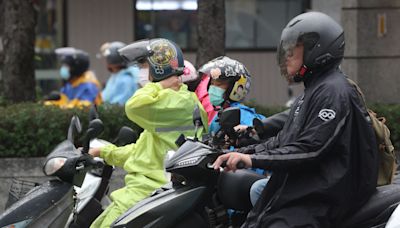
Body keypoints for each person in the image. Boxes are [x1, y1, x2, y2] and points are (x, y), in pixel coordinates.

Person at [213, 11, 378, 227]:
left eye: (294, 49)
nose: (287, 55)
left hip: (322, 197)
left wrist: (252, 160)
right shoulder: (314, 91)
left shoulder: (334, 92)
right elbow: (283, 141)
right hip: (305, 190)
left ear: (317, 50)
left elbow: (310, 148)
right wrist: (241, 153)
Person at [88, 38, 208, 228]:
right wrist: (104, 152)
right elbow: (143, 152)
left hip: (150, 190)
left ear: (160, 68)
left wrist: (159, 85)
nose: (140, 72)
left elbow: (133, 106)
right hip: (145, 189)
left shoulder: (177, 101)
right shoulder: (173, 100)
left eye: (143, 66)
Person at [198, 56, 265, 135]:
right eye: (212, 84)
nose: (213, 88)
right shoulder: (220, 115)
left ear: (235, 88)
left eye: (219, 84)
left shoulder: (241, 113)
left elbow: (254, 130)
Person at [99, 41, 140, 105]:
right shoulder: (116, 76)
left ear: (112, 59)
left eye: (107, 59)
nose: (106, 61)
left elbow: (119, 106)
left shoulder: (126, 80)